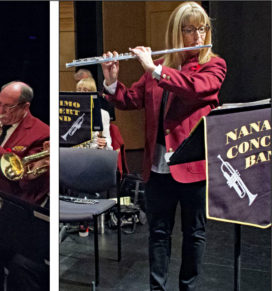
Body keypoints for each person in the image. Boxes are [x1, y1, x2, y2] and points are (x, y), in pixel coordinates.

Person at [100, 2, 224, 289]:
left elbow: (194, 88)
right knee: (158, 232)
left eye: (202, 28)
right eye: (189, 29)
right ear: (175, 32)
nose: (198, 35)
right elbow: (131, 99)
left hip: (193, 167)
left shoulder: (213, 66)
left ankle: (188, 287)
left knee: (194, 234)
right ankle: (157, 287)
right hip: (156, 168)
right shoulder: (158, 69)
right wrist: (111, 81)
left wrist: (155, 71)